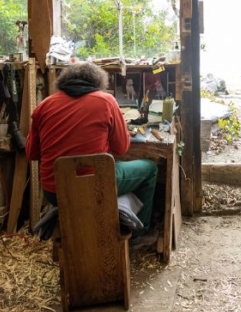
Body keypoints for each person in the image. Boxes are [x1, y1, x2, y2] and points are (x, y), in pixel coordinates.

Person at [26, 62, 158, 231]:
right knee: (150, 168)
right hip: (94, 186)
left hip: (54, 191)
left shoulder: (43, 106)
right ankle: (139, 232)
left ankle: (77, 216)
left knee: (87, 182)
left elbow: (32, 153)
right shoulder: (106, 101)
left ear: (63, 82)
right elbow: (121, 148)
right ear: (99, 83)